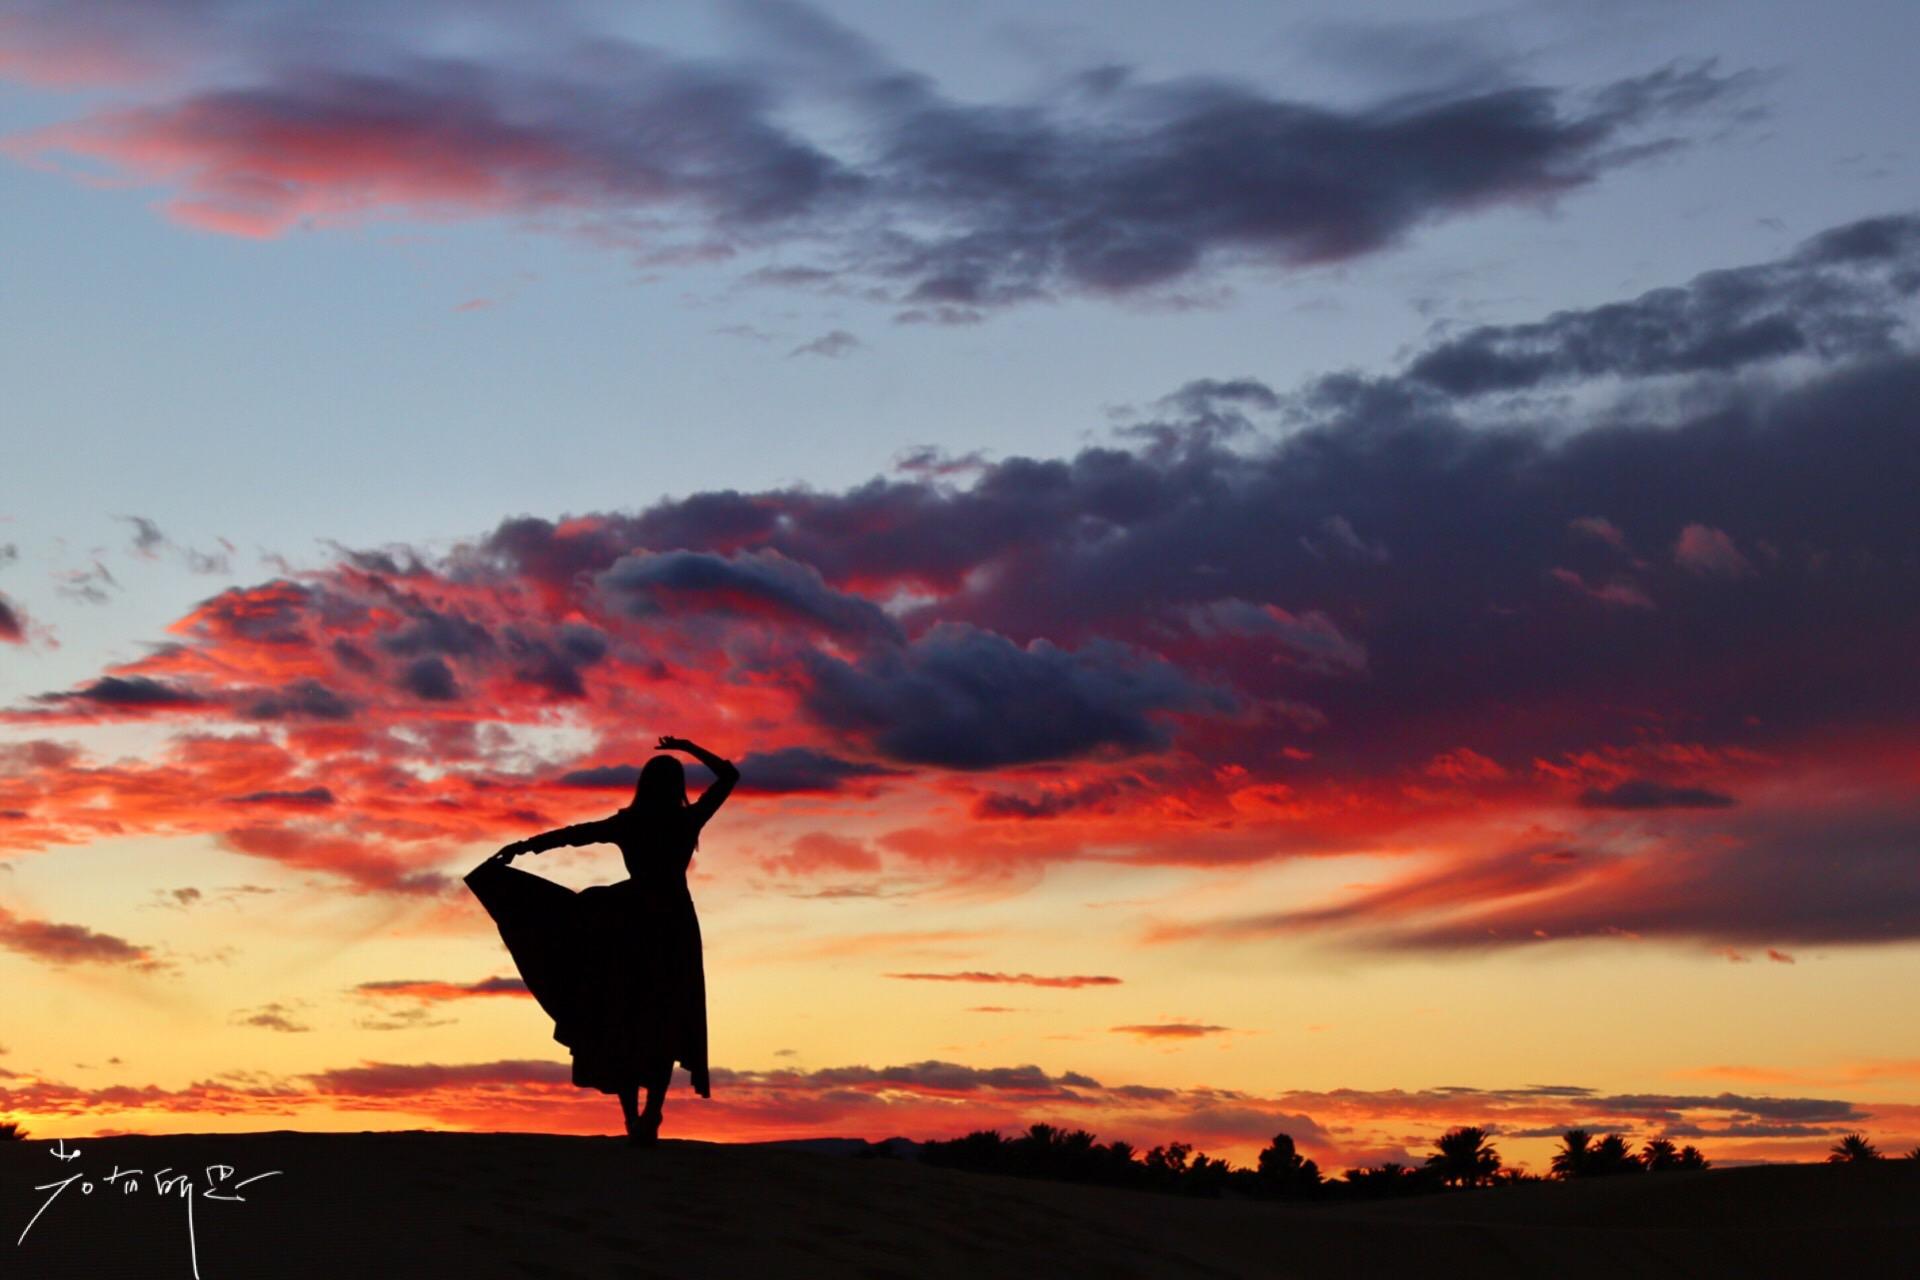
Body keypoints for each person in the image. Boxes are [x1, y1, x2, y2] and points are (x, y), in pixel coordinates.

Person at [465, 735, 739, 1146]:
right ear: (677, 786)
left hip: (628, 921)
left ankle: (634, 1117)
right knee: (660, 1016)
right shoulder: (686, 822)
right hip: (672, 925)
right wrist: (686, 747)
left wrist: (524, 847)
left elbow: (574, 835)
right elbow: (729, 775)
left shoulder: (629, 822)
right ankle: (652, 1113)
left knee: (624, 1015)